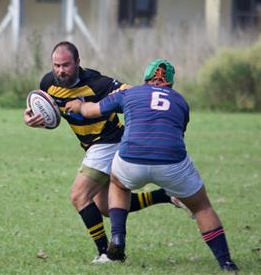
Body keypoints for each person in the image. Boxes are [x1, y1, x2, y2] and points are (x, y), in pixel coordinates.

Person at [65, 58, 239, 272]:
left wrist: (79, 105)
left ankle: (118, 239)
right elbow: (178, 131)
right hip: (172, 162)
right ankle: (226, 263)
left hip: (131, 158)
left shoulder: (129, 93)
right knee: (202, 207)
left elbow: (92, 110)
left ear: (146, 79)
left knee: (118, 185)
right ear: (171, 83)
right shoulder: (180, 101)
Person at [23, 42, 178, 263]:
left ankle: (108, 253)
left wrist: (160, 97)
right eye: (56, 65)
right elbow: (41, 108)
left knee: (79, 195)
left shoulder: (99, 84)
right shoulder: (48, 83)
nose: (60, 71)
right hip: (92, 147)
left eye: (66, 65)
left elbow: (131, 93)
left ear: (77, 62)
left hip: (109, 141)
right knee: (106, 207)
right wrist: (30, 118)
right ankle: (164, 195)